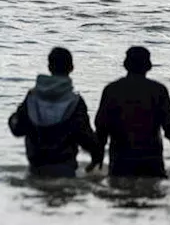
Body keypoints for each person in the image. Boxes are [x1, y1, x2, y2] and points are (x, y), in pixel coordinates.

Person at [91, 47, 170, 178]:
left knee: (120, 195)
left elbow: (102, 128)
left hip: (121, 159)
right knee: (153, 194)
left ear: (125, 65)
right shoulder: (158, 90)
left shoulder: (111, 90)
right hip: (151, 158)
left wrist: (97, 156)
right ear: (149, 66)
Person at [6, 48, 101, 178]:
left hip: (36, 168)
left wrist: (12, 119)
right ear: (71, 68)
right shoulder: (75, 102)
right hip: (65, 169)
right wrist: (97, 155)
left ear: (49, 67)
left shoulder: (32, 97)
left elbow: (18, 129)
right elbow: (84, 136)